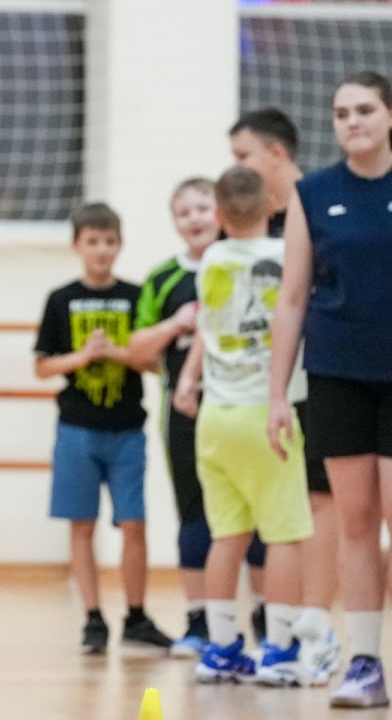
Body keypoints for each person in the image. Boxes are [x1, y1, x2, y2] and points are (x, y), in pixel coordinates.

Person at [268, 71, 392, 709]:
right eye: (342, 113)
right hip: (337, 375)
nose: (353, 121)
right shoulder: (313, 194)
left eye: (365, 109)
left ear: (389, 115)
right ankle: (364, 662)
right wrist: (276, 395)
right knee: (355, 522)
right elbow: (292, 298)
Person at [172, 167, 313, 687]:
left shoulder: (211, 259)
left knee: (226, 536)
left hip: (216, 417)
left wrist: (187, 380)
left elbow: (206, 328)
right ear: (272, 206)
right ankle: (280, 649)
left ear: (219, 214)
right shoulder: (285, 255)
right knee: (285, 535)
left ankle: (221, 648)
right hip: (266, 412)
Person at [33, 203, 173, 655]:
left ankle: (136, 615)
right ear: (77, 245)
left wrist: (117, 352)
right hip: (76, 431)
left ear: (120, 244)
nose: (101, 250)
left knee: (134, 523)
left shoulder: (137, 295)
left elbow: (154, 362)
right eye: (93, 241)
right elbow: (42, 366)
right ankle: (93, 618)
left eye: (109, 241)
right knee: (82, 526)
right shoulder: (60, 298)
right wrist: (83, 356)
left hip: (127, 430)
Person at [230, 108, 341, 675]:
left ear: (276, 153)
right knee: (284, 513)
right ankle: (288, 632)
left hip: (323, 377)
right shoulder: (257, 226)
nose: (236, 167)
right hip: (268, 391)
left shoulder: (320, 205)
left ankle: (319, 629)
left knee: (320, 503)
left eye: (243, 155)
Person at [129, 178, 219, 658]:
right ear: (175, 223)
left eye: (203, 207)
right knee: (193, 509)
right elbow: (137, 350)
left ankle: (262, 619)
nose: (195, 218)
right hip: (183, 411)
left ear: (220, 210)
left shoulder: (238, 262)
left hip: (238, 405)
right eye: (185, 212)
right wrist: (175, 324)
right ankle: (199, 621)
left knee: (251, 515)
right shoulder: (164, 278)